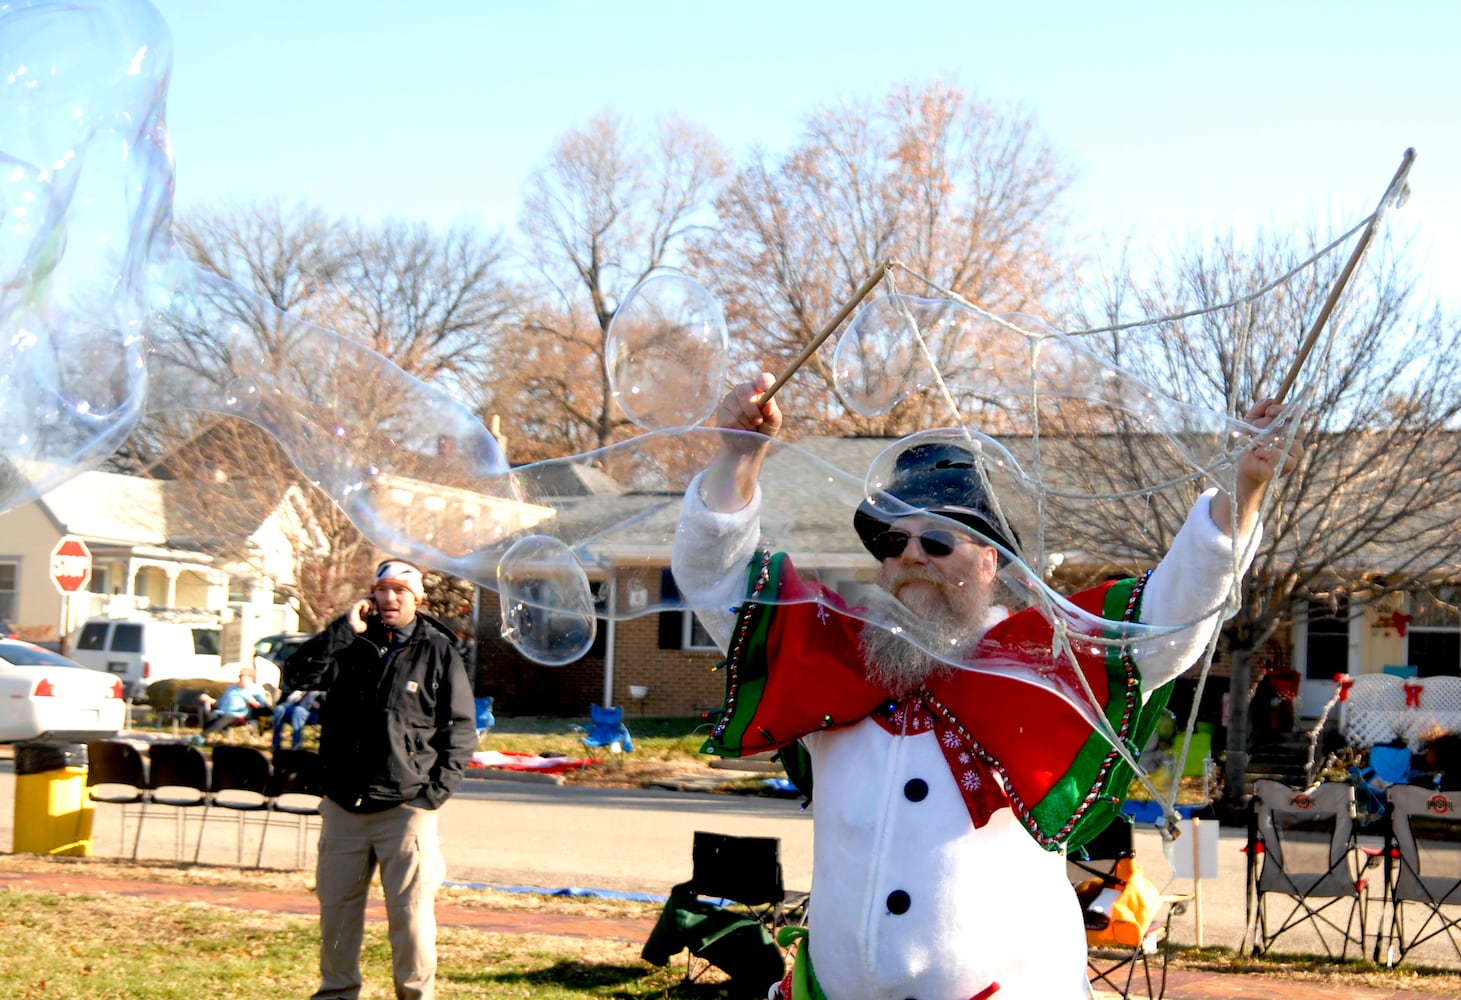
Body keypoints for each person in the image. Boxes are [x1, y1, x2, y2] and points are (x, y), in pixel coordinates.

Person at [671, 373, 1296, 1000]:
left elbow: (1172, 615)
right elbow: (719, 579)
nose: (911, 555)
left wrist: (1239, 493)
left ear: (991, 560)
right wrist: (737, 457)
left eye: (937, 539)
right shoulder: (833, 657)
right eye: (893, 541)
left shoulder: (1046, 661)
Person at [284, 557, 477, 1000]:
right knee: (337, 914)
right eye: (382, 590)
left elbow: (461, 729)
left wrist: (434, 793)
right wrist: (341, 630)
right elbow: (295, 676)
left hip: (405, 808)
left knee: (410, 919)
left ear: (418, 599)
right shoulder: (349, 643)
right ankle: (337, 992)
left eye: (399, 592)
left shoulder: (438, 650)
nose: (389, 599)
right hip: (343, 804)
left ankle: (414, 996)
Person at [198, 665, 270, 739]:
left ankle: (203, 736)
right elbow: (220, 702)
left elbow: (262, 706)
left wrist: (253, 702)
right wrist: (209, 699)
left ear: (251, 679)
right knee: (211, 716)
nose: (241, 680)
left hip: (239, 714)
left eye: (244, 679)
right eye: (240, 678)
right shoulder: (232, 688)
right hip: (222, 711)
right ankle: (204, 736)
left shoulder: (256, 689)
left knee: (224, 719)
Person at [270, 685, 321, 752]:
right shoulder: (298, 690)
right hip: (293, 711)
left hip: (310, 713)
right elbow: (285, 702)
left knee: (298, 710)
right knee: (280, 709)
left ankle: (296, 744)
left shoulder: (319, 692)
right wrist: (297, 696)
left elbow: (320, 706)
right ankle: (275, 744)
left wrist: (311, 702)